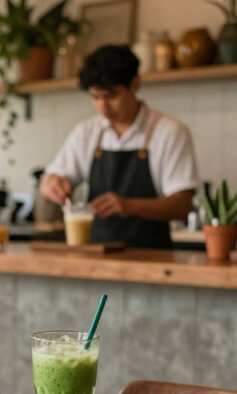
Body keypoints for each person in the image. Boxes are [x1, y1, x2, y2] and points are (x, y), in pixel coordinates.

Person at [39, 45, 199, 248]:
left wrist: (129, 206)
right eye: (96, 98)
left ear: (135, 84)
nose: (103, 108)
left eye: (112, 96)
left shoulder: (169, 131)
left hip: (152, 256)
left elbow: (183, 204)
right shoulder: (87, 132)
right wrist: (52, 183)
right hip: (96, 254)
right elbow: (49, 180)